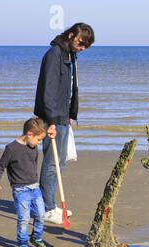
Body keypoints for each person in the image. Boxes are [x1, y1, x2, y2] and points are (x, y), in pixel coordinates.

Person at [34, 22, 95, 224]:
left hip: (62, 116)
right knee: (51, 162)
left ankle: (50, 204)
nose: (82, 48)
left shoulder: (70, 55)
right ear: (71, 36)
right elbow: (48, 91)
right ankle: (47, 208)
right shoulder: (54, 54)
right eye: (80, 43)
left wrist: (71, 114)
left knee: (60, 161)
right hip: (52, 117)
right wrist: (50, 121)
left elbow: (68, 89)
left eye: (85, 46)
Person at [0, 118, 53, 247]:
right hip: (20, 190)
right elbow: (0, 167)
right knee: (24, 218)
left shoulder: (33, 147)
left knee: (41, 215)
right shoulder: (11, 148)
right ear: (30, 134)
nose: (39, 143)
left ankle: (36, 238)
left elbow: (33, 164)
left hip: (35, 187)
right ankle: (22, 243)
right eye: (38, 139)